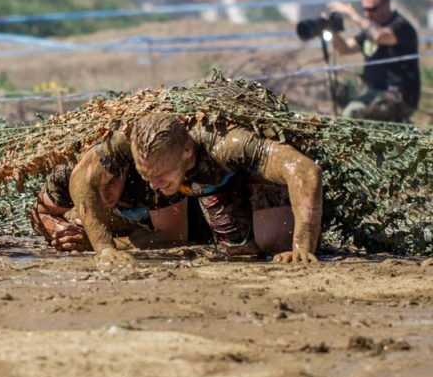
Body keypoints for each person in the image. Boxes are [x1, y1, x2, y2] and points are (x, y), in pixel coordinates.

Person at [69, 113, 322, 267]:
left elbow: (305, 171)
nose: (153, 186)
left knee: (274, 244)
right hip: (212, 184)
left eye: (160, 176)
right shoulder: (128, 141)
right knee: (237, 252)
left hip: (255, 176)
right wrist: (104, 247)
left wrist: (303, 248)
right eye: (146, 176)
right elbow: (81, 177)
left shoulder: (227, 144)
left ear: (187, 151)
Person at [30, 157, 211, 252]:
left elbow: (174, 236)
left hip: (198, 234)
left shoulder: (149, 177)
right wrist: (65, 233)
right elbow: (39, 215)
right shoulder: (67, 174)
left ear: (125, 170)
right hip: (122, 231)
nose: (104, 194)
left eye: (112, 181)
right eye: (94, 185)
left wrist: (94, 241)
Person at [329, 0, 420, 121]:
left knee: (361, 113)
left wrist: (353, 15)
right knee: (346, 103)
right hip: (372, 92)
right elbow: (345, 48)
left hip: (398, 95)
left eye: (372, 9)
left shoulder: (401, 26)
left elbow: (379, 37)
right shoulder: (370, 29)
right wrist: (332, 31)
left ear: (387, 5)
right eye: (364, 9)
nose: (367, 14)